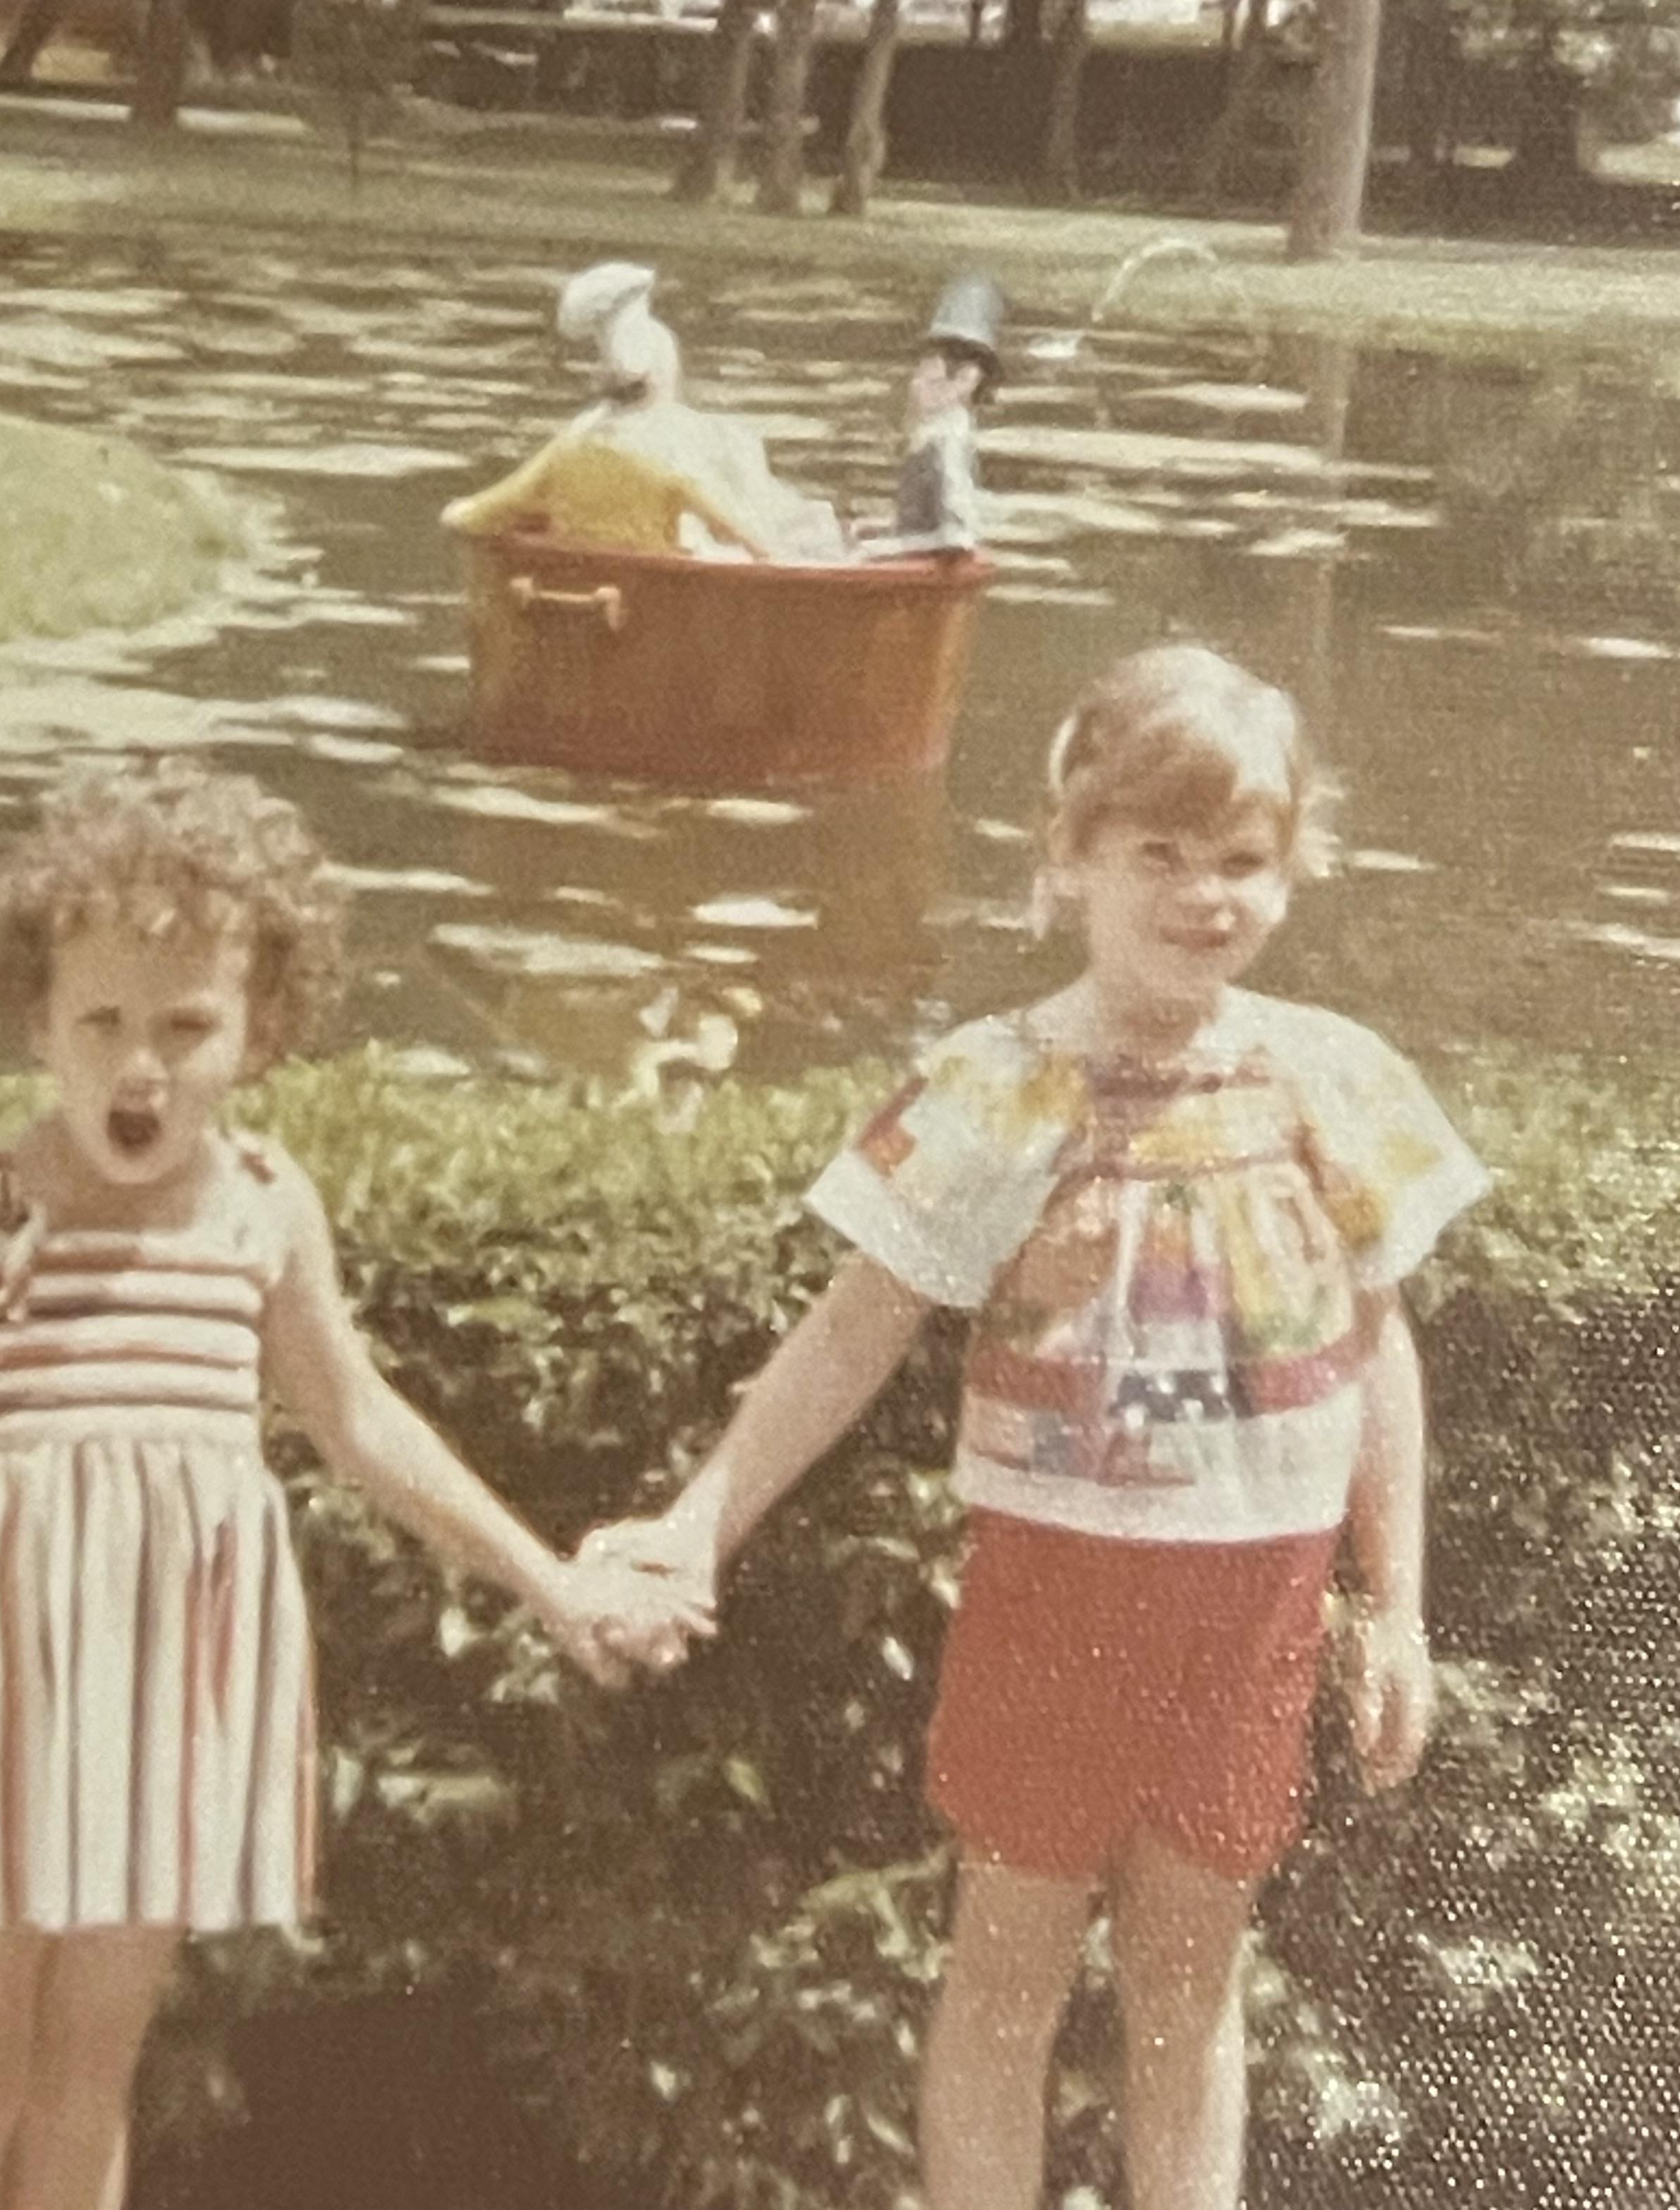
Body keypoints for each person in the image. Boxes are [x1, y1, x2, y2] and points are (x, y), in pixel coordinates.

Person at [583, 645, 1487, 2210]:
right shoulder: (1002, 1084)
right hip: (1062, 1584)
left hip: (1256, 1598)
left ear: (1292, 870)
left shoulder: (1329, 1077)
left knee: (1191, 1985)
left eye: (1243, 861)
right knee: (1006, 1972)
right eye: (1160, 853)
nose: (1204, 895)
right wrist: (696, 1519)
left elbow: (1375, 1348)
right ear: (1070, 857)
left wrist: (1397, 1604)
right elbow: (859, 1325)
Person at [0, 761, 705, 2210]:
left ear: (258, 1032)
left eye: (186, 1027)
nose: (141, 1068)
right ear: (36, 1020)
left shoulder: (261, 1205)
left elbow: (362, 1422)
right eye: (102, 1024)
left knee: (81, 2089)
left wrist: (550, 1581)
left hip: (160, 1695)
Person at [443, 262, 845, 561]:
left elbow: (473, 515)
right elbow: (755, 544)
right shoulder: (704, 446)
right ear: (663, 372)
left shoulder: (573, 445)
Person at [887, 263, 1007, 552]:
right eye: (929, 362)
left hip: (931, 566)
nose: (929, 376)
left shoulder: (946, 440)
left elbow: (957, 539)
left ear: (971, 382)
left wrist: (879, 550)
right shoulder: (930, 432)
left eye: (952, 366)